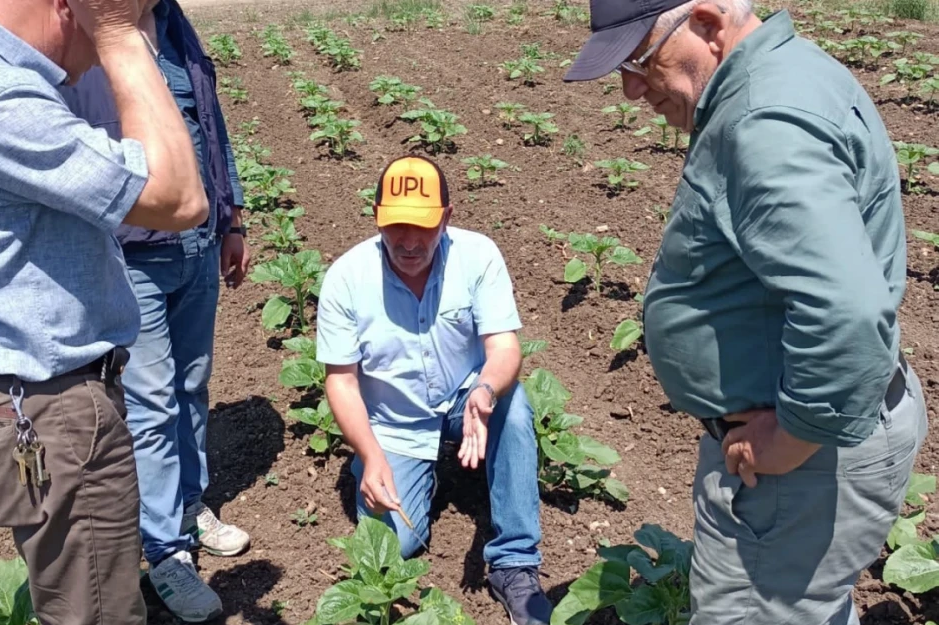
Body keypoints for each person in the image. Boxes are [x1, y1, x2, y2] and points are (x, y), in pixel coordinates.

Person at [563, 1, 928, 624]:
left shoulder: (764, 119)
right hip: (804, 450)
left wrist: (794, 438)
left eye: (640, 60)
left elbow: (845, 310)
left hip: (798, 466)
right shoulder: (785, 77)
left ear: (706, 24)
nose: (629, 89)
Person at [0, 0, 209, 621]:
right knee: (96, 611)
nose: (89, 75)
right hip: (53, 415)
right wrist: (119, 34)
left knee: (71, 587)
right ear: (66, 7)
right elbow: (181, 197)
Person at [58, 0, 249, 620]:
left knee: (192, 384)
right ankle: (167, 552)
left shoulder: (173, 21)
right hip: (132, 250)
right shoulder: (86, 25)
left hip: (197, 242)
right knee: (151, 398)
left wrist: (232, 217)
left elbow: (207, 121)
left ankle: (190, 507)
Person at [316, 155, 554, 625]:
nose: (408, 242)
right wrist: (370, 451)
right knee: (395, 546)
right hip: (394, 421)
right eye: (396, 226)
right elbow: (340, 380)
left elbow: (504, 347)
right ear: (377, 218)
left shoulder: (478, 255)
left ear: (447, 216)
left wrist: (484, 391)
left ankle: (514, 562)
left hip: (466, 399)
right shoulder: (347, 278)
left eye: (422, 226)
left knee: (514, 403)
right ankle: (387, 464)